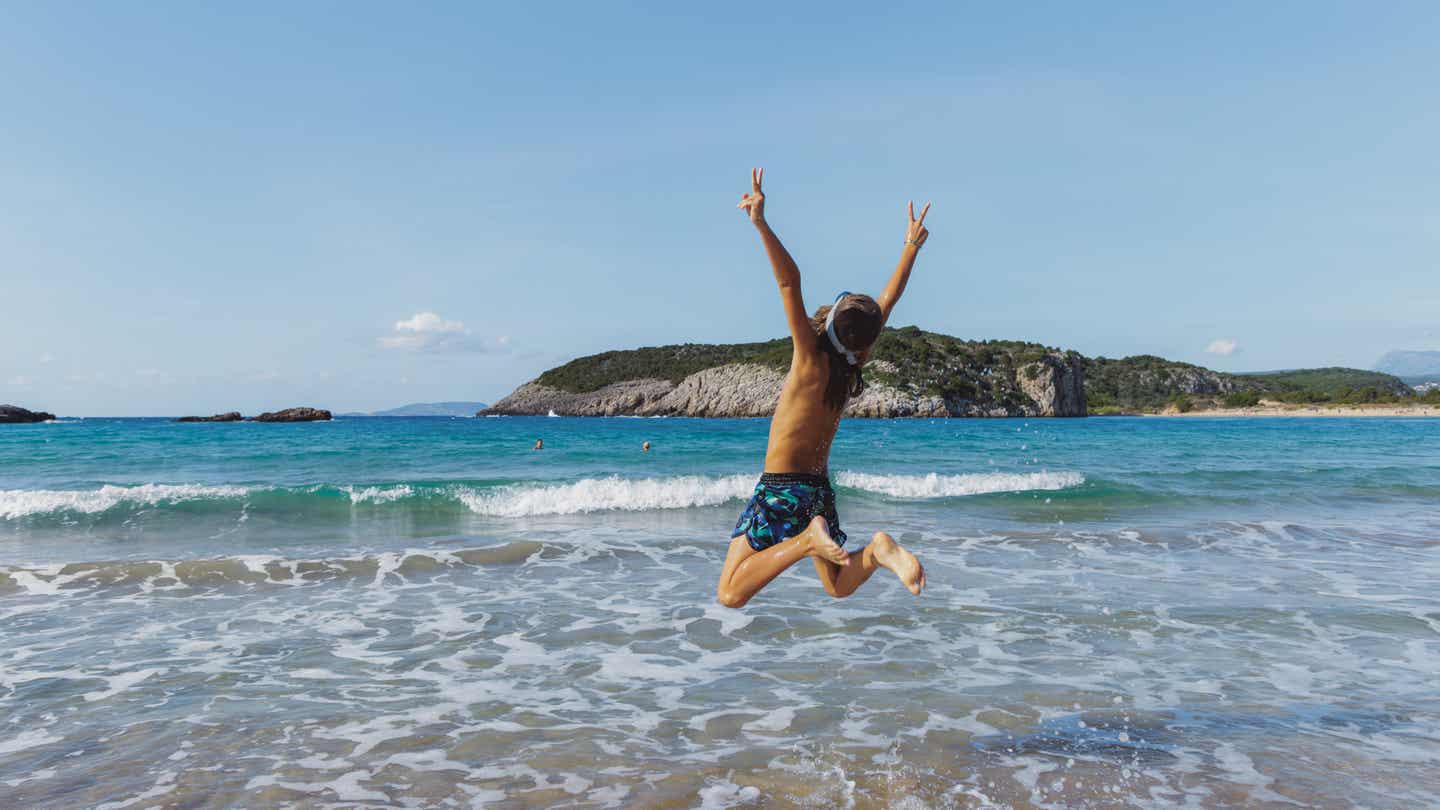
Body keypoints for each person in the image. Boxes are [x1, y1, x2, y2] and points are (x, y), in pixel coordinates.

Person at [717, 168, 928, 609]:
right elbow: (890, 300)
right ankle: (877, 551)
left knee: (730, 593)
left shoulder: (809, 358)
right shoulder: (850, 366)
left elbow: (788, 282)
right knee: (837, 585)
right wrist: (910, 247)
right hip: (817, 491)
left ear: (831, 319)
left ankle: (807, 542)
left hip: (781, 488)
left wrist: (760, 222)